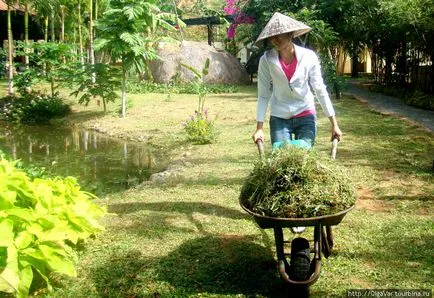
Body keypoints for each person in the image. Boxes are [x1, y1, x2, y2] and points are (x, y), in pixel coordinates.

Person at [251, 12, 342, 149]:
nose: (275, 39)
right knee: (282, 157)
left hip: (305, 113)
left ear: (290, 34)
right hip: (279, 116)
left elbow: (319, 89)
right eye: (271, 36)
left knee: (304, 155)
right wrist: (259, 128)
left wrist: (334, 124)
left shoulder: (308, 57)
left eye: (279, 34)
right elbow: (263, 94)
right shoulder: (266, 60)